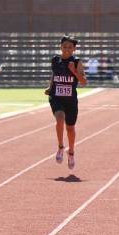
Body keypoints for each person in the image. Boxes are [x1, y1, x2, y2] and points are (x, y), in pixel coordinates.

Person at [44, 35, 87, 170]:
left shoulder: (77, 62)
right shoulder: (55, 60)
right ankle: (61, 146)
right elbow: (54, 75)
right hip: (56, 97)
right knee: (60, 118)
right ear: (60, 47)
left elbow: (84, 82)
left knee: (70, 128)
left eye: (70, 47)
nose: (67, 49)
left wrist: (74, 71)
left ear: (74, 49)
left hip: (70, 100)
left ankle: (71, 152)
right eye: (64, 47)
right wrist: (50, 87)